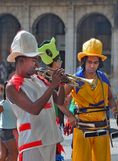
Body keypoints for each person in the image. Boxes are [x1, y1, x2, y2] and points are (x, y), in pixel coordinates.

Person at [6, 30, 65, 161]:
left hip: (50, 140)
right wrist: (52, 85)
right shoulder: (11, 87)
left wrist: (61, 83)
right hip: (32, 144)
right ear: (21, 60)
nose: (36, 64)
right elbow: (34, 109)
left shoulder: (39, 79)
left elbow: (59, 101)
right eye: (33, 60)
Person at [64, 38, 117, 161]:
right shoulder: (75, 79)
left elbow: (110, 98)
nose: (92, 66)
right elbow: (59, 101)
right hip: (82, 130)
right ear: (83, 61)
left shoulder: (103, 78)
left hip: (102, 130)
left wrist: (115, 108)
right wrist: (69, 116)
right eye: (89, 62)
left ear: (99, 63)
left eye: (95, 62)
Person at [38, 37, 76, 161]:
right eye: (59, 59)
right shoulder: (42, 77)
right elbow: (57, 103)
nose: (61, 61)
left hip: (55, 121)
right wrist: (70, 115)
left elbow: (59, 101)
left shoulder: (56, 76)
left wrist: (61, 83)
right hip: (45, 121)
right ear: (54, 62)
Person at [0, 82, 18, 161]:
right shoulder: (5, 103)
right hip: (7, 130)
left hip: (5, 130)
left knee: (4, 153)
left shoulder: (5, 102)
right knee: (13, 154)